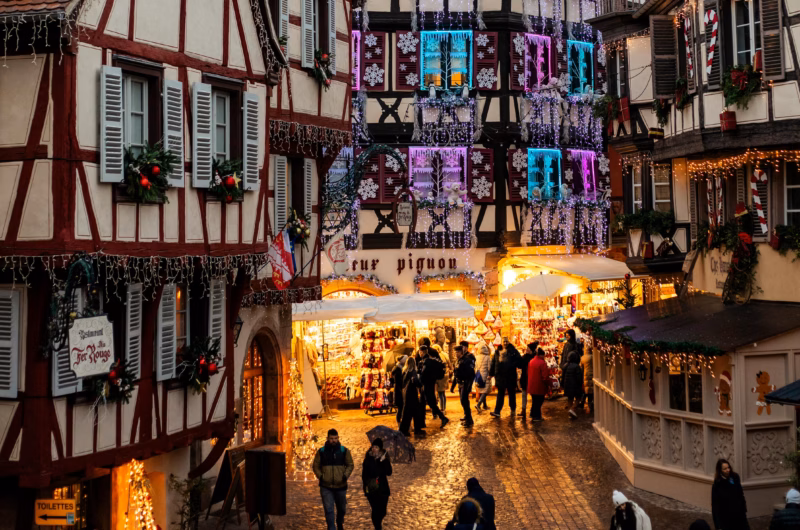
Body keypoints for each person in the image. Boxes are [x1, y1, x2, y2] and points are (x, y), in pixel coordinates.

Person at [312, 429, 354, 530]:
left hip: (341, 486)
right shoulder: (321, 452)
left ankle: (340, 522)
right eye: (331, 438)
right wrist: (321, 476)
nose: (333, 440)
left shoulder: (344, 451)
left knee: (342, 509)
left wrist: (345, 475)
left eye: (335, 438)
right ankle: (331, 528)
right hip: (326, 487)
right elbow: (315, 466)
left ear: (338, 438)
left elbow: (350, 465)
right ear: (328, 439)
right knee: (329, 510)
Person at [361, 438, 393, 530]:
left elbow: (389, 472)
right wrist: (365, 489)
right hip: (372, 489)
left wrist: (384, 461)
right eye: (373, 447)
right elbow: (364, 476)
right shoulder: (368, 459)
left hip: (383, 489)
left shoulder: (384, 458)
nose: (374, 449)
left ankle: (377, 525)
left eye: (376, 447)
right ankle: (378, 527)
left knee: (383, 512)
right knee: (375, 510)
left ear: (380, 448)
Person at [711, 458, 749, 530]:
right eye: (725, 469)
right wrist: (718, 525)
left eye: (728, 467)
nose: (728, 470)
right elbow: (715, 506)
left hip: (739, 515)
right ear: (720, 471)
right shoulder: (717, 484)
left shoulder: (735, 477)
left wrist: (743, 509)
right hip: (726, 518)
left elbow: (740, 494)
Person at [419, 346, 450, 428]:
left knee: (431, 402)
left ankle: (443, 417)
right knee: (425, 402)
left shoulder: (426, 362)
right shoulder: (431, 360)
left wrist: (420, 379)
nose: (419, 354)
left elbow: (424, 374)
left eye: (420, 352)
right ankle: (422, 422)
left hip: (427, 384)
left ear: (422, 352)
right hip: (431, 383)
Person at [489, 340, 521, 418]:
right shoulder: (497, 352)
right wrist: (491, 374)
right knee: (500, 394)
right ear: (501, 342)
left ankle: (513, 410)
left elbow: (518, 360)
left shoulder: (513, 351)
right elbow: (493, 363)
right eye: (504, 342)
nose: (505, 343)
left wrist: (512, 366)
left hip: (510, 376)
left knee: (511, 394)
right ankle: (497, 411)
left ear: (509, 342)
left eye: (507, 341)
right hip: (500, 376)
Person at [450, 345, 476, 427]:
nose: (456, 354)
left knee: (464, 401)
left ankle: (469, 419)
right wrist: (453, 385)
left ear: (461, 352)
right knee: (462, 401)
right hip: (460, 383)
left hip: (465, 383)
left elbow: (471, 373)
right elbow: (456, 374)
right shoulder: (457, 361)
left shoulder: (466, 361)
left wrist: (469, 384)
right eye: (455, 352)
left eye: (457, 352)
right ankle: (467, 416)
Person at [399, 357, 424, 436]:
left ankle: (404, 429)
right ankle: (417, 429)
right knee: (416, 412)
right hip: (412, 394)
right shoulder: (413, 372)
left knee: (407, 413)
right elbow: (416, 382)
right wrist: (420, 383)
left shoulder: (404, 372)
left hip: (406, 394)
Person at [526, 348, 550, 421]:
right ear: (541, 355)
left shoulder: (531, 361)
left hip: (531, 385)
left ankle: (535, 415)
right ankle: (536, 416)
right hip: (539, 385)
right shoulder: (542, 363)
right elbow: (545, 377)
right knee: (539, 401)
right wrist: (548, 384)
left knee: (535, 401)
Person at [517, 342, 538, 419]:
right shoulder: (525, 357)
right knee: (524, 394)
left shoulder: (534, 357)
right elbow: (519, 365)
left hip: (531, 378)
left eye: (528, 349)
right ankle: (523, 410)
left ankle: (533, 411)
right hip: (525, 378)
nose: (526, 350)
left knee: (533, 395)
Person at [563, 351, 584, 419]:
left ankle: (570, 413)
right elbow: (579, 378)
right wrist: (580, 384)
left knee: (570, 398)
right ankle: (572, 409)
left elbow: (563, 376)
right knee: (578, 398)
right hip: (575, 385)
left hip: (567, 385)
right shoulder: (577, 367)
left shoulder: (565, 365)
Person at [432, 344, 452, 413]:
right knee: (443, 393)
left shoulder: (436, 356)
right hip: (445, 375)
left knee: (440, 393)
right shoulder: (445, 355)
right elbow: (449, 364)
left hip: (439, 375)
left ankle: (442, 409)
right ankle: (444, 408)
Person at [474, 342, 492, 412]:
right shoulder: (487, 357)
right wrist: (490, 374)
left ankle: (484, 405)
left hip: (478, 375)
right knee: (485, 391)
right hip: (485, 376)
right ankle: (478, 405)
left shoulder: (477, 357)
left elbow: (475, 366)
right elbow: (489, 368)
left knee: (481, 390)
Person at [392, 355, 408, 427]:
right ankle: (399, 422)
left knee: (401, 407)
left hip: (400, 389)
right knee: (400, 407)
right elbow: (398, 381)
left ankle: (400, 421)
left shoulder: (399, 368)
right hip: (399, 390)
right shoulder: (398, 369)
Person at [579, 340, 594, 413]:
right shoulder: (592, 357)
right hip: (592, 374)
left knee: (586, 389)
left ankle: (582, 401)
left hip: (585, 374)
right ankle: (590, 405)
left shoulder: (583, 357)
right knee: (591, 390)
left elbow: (581, 366)